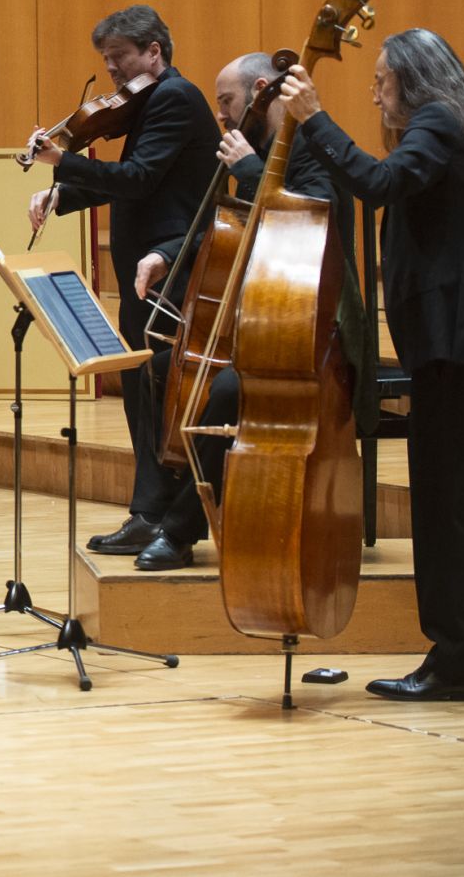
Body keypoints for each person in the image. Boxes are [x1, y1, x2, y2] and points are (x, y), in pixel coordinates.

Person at [285, 29, 464, 701]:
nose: (375, 89)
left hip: (454, 342)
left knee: (443, 504)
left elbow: (377, 185)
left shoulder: (436, 121)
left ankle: (455, 659)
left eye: (382, 78)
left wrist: (313, 117)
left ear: (412, 77)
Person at [124, 52, 369, 570]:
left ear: (260, 89)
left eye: (226, 102)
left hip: (317, 326)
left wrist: (252, 171)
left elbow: (309, 220)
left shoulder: (311, 144)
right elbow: (227, 221)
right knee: (163, 365)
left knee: (232, 389)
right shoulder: (257, 147)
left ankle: (180, 531)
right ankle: (156, 508)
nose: (222, 114)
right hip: (272, 320)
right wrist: (166, 253)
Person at [26, 5, 220, 558]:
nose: (111, 71)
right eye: (106, 61)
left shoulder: (175, 98)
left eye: (120, 59)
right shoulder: (153, 100)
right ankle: (148, 511)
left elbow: (138, 179)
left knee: (157, 393)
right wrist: (64, 193)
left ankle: (164, 519)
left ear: (154, 52)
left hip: (171, 268)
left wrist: (63, 162)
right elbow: (135, 183)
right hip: (147, 271)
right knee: (140, 392)